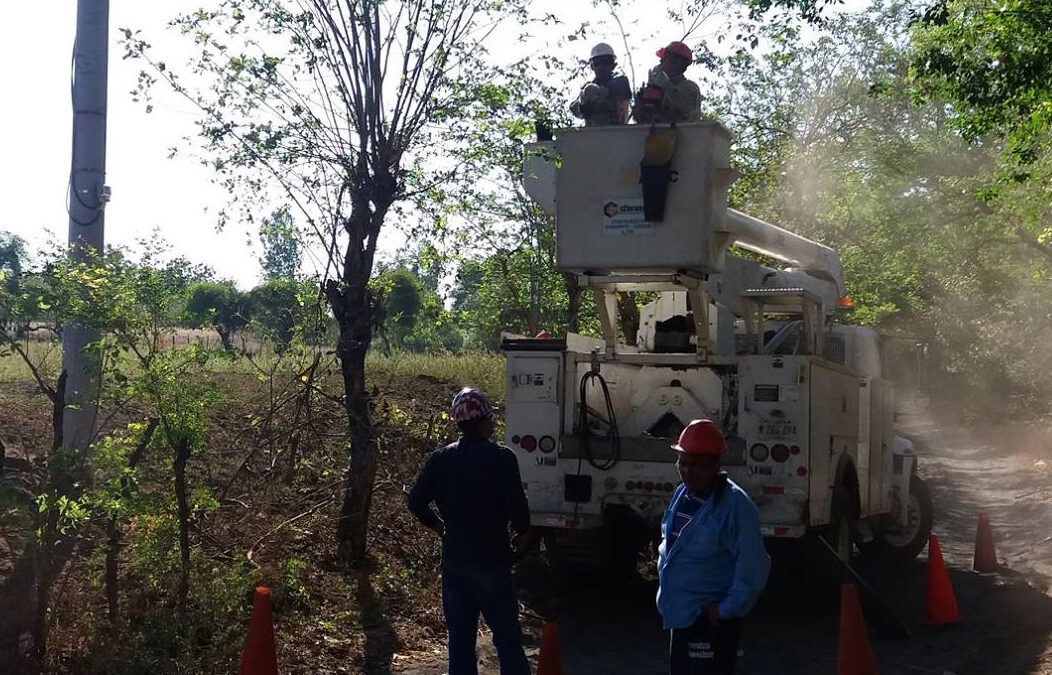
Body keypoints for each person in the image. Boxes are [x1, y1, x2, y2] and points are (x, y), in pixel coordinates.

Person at [408, 387, 532, 675]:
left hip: (455, 563)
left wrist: (440, 528)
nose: (493, 422)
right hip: (492, 561)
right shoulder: (502, 459)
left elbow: (415, 501)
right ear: (481, 421)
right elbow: (520, 515)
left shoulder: (440, 459)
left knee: (460, 643)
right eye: (490, 417)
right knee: (508, 641)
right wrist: (522, 536)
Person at [657, 419, 770, 675]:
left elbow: (753, 567)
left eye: (697, 465)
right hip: (682, 616)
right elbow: (671, 545)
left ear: (716, 464)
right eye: (682, 463)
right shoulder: (682, 496)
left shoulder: (735, 505)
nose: (687, 471)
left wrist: (726, 609)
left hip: (712, 622)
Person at [633, 40, 702, 124]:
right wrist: (641, 101)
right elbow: (639, 118)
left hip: (681, 134)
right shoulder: (655, 84)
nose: (661, 62)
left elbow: (688, 113)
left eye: (666, 58)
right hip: (652, 133)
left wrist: (667, 89)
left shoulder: (689, 87)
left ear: (681, 64)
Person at [570, 42, 632, 126]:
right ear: (592, 67)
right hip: (595, 133)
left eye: (606, 62)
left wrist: (593, 94)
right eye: (597, 63)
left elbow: (607, 91)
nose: (601, 67)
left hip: (617, 130)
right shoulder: (587, 88)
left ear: (613, 65)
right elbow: (574, 107)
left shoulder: (620, 81)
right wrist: (582, 106)